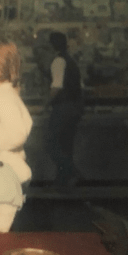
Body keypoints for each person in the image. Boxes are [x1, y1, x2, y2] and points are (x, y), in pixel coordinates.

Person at [44, 31, 83, 188]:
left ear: (51, 46)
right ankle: (62, 183)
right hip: (75, 106)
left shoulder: (58, 61)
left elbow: (57, 86)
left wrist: (45, 104)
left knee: (51, 143)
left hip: (63, 107)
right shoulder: (70, 60)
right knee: (66, 145)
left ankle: (73, 172)